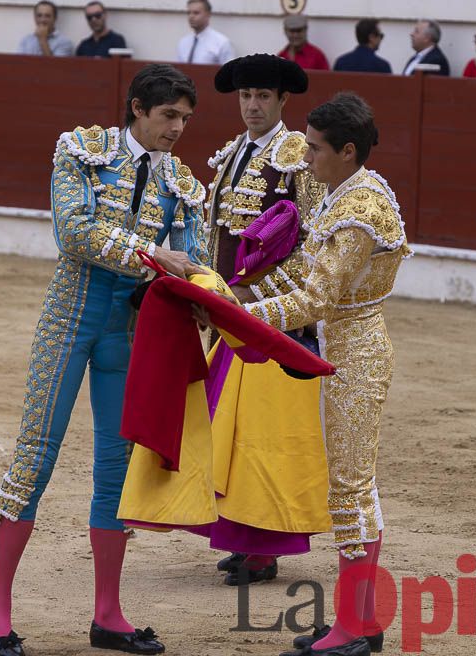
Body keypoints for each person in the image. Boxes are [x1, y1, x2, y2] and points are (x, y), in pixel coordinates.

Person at [0, 64, 208, 656]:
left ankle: (108, 613)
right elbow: (73, 232)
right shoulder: (82, 151)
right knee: (36, 454)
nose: (178, 129)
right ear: (137, 108)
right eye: (168, 116)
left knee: (116, 468)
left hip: (131, 331)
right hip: (71, 318)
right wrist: (156, 256)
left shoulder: (182, 184)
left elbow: (197, 259)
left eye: (185, 119)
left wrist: (212, 294)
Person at [246, 92, 409, 656]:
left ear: (346, 150)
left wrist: (241, 314)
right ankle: (359, 619)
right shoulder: (349, 194)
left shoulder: (358, 210)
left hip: (355, 355)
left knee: (351, 488)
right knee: (354, 487)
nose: (305, 157)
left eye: (314, 148)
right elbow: (305, 281)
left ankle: (353, 628)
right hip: (346, 349)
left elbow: (317, 297)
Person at [178, 54, 329, 587]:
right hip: (230, 315)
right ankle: (244, 538)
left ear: (284, 102)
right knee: (233, 433)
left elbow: (311, 249)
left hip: (272, 322)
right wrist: (211, 293)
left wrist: (249, 300)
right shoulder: (233, 154)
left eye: (263, 96)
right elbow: (212, 232)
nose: (252, 106)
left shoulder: (297, 159)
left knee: (263, 438)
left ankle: (265, 550)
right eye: (245, 97)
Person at [177, 0, 234, 65]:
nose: (191, 16)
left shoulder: (221, 43)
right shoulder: (183, 42)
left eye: (196, 13)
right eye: (189, 13)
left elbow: (229, 72)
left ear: (208, 14)